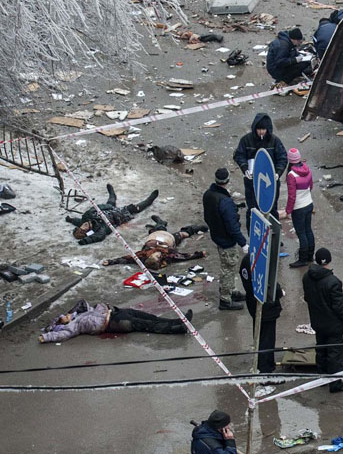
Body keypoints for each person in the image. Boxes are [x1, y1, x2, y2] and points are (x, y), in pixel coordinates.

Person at [303, 248, 343, 393]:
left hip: (317, 322)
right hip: (333, 325)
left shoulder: (307, 277)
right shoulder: (333, 282)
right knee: (335, 354)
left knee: (321, 350)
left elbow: (307, 298)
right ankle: (336, 384)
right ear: (329, 261)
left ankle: (322, 378)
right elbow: (339, 306)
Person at [202, 168, 248, 311]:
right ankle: (225, 300)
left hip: (217, 235)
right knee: (229, 269)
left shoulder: (208, 195)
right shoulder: (225, 201)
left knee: (227, 267)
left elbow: (208, 217)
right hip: (227, 240)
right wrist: (243, 243)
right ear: (227, 180)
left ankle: (231, 291)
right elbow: (232, 226)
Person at [40, 300, 190, 342]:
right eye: (63, 318)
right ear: (62, 324)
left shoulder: (79, 315)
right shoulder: (73, 326)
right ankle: (178, 328)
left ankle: (177, 321)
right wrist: (46, 336)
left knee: (150, 317)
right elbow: (62, 336)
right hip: (114, 323)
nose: (66, 316)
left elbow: (81, 302)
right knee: (148, 325)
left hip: (117, 312)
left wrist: (71, 313)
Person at [233, 113, 289, 228]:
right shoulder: (246, 140)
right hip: (252, 181)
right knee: (253, 208)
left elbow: (282, 157)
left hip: (270, 181)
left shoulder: (274, 141)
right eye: (259, 129)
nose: (261, 132)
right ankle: (253, 235)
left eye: (264, 129)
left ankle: (274, 235)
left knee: (272, 208)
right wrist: (245, 169)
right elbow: (239, 155)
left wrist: (278, 173)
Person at [66, 183, 159, 245]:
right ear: (88, 231)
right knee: (135, 208)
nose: (84, 225)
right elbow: (99, 236)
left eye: (82, 226)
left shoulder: (85, 220)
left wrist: (70, 219)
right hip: (118, 215)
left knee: (110, 201)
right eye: (84, 228)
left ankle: (112, 195)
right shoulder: (99, 228)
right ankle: (149, 200)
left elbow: (77, 221)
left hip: (107, 209)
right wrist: (85, 240)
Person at [100, 216, 207, 270]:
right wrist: (199, 254)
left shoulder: (141, 255)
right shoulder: (168, 254)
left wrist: (110, 261)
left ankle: (160, 222)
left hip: (155, 237)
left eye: (154, 255)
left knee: (160, 228)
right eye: (157, 256)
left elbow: (126, 258)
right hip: (168, 240)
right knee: (183, 234)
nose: (157, 254)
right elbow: (184, 256)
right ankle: (194, 229)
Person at [239, 251, 283, 374]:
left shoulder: (247, 260)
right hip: (266, 307)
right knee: (266, 340)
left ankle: (261, 363)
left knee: (259, 335)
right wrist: (279, 292)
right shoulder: (261, 261)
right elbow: (270, 284)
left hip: (253, 304)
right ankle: (266, 369)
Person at [283, 148, 315, 268]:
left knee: (301, 233)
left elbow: (292, 196)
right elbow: (311, 186)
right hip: (308, 203)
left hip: (299, 208)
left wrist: (288, 211)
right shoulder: (306, 168)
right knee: (308, 230)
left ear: (289, 160)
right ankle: (310, 256)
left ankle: (302, 259)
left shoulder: (291, 175)